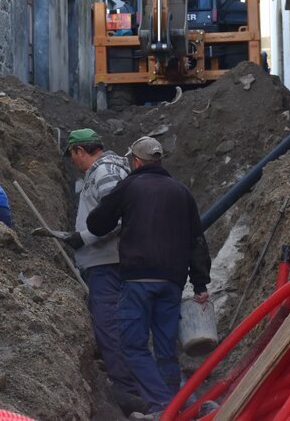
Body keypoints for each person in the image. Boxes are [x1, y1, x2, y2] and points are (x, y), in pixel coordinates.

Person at [87, 136, 211, 415]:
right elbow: (197, 241)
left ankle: (163, 405)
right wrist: (200, 283)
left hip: (137, 280)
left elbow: (97, 223)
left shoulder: (130, 185)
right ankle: (179, 405)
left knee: (132, 345)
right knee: (167, 348)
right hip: (172, 282)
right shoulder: (181, 192)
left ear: (136, 161)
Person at [35, 128, 145, 414]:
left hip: (107, 262)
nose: (73, 164)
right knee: (121, 325)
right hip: (109, 260)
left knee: (110, 326)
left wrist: (82, 237)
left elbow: (118, 217)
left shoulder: (104, 172)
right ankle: (137, 387)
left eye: (72, 157)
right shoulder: (110, 171)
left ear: (79, 151)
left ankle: (128, 392)